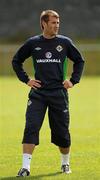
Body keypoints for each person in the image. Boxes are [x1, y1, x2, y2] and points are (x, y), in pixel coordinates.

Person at [12, 10, 84, 177]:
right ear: (44, 23)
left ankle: (65, 163)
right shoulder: (33, 43)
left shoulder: (65, 43)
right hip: (38, 94)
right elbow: (16, 61)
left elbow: (80, 60)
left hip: (59, 94)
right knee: (31, 127)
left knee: (62, 132)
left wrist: (73, 80)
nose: (56, 25)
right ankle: (25, 168)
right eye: (53, 22)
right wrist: (26, 80)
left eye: (58, 23)